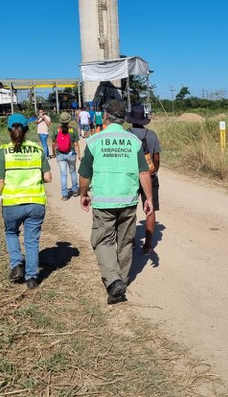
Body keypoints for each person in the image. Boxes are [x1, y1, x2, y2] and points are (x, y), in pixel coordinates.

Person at [78, 100, 153, 304]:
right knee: (126, 241)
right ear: (123, 119)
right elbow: (144, 171)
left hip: (104, 201)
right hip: (128, 200)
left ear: (105, 116)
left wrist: (83, 193)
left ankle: (113, 280)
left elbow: (85, 174)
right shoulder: (133, 141)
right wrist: (148, 200)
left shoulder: (94, 141)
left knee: (103, 240)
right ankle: (123, 278)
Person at [0, 113, 52, 289]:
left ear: (9, 130)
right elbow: (48, 178)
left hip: (12, 204)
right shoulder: (37, 150)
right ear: (26, 129)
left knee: (11, 233)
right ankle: (31, 278)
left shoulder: (4, 151)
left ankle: (16, 265)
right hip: (36, 203)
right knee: (31, 240)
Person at [126, 104, 161, 254]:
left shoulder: (125, 134)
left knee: (129, 210)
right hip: (149, 175)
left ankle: (132, 241)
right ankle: (147, 246)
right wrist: (154, 171)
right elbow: (157, 158)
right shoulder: (152, 135)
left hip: (130, 177)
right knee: (150, 209)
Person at [55, 111, 80, 200]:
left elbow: (53, 142)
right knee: (73, 172)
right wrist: (79, 155)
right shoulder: (73, 130)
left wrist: (54, 153)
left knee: (63, 175)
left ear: (60, 121)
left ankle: (65, 194)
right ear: (69, 120)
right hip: (71, 153)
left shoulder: (57, 129)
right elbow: (76, 143)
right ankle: (75, 191)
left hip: (60, 154)